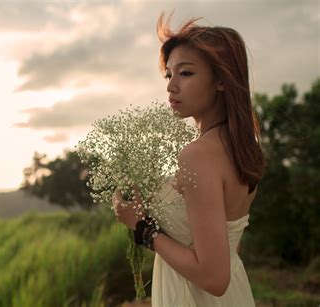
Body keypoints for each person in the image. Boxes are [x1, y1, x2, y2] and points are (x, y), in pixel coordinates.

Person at [112, 12, 265, 306]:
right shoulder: (239, 148)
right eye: (169, 74)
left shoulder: (198, 155)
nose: (170, 86)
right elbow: (224, 246)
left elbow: (214, 278)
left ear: (221, 80)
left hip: (194, 297)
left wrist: (143, 229)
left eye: (185, 73)